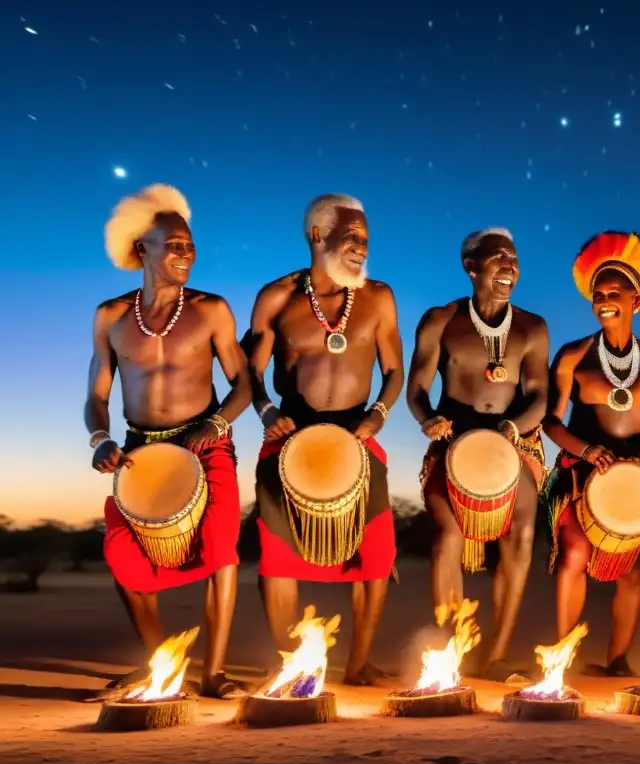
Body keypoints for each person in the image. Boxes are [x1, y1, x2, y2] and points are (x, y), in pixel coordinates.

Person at [86, 184, 252, 699]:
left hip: (206, 445)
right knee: (120, 553)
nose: (185, 253)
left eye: (189, 245)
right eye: (173, 244)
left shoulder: (211, 310)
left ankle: (215, 673)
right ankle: (162, 664)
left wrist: (217, 425)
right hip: (140, 451)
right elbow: (96, 393)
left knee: (222, 551)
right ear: (143, 250)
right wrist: (99, 437)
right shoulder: (111, 317)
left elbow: (243, 384)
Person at [246, 194, 404, 686]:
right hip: (290, 434)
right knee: (277, 557)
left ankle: (358, 665)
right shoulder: (277, 298)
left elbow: (394, 370)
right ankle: (289, 662)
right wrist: (267, 410)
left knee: (377, 554)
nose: (361, 246)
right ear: (318, 235)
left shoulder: (378, 297)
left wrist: (377, 415)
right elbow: (250, 369)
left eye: (365, 239)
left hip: (358, 434)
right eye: (351, 236)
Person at [407, 228, 549, 681]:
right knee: (447, 538)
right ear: (471, 267)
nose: (509, 267)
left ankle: (497, 654)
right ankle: (451, 648)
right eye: (498, 259)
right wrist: (428, 418)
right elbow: (416, 390)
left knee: (522, 534)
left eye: (514, 260)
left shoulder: (531, 327)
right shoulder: (441, 320)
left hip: (513, 444)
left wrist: (514, 426)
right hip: (453, 447)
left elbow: (540, 396)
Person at [542, 231, 640, 676]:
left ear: (636, 299)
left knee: (636, 571)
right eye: (597, 294)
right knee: (574, 557)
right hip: (580, 473)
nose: (603, 300)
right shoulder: (573, 357)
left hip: (633, 478)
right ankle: (562, 656)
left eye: (614, 293)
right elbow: (550, 422)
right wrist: (586, 450)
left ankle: (618, 660)